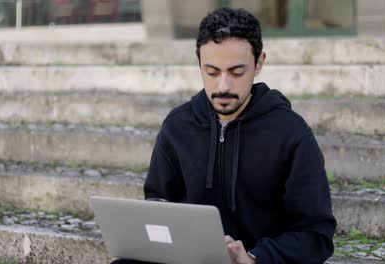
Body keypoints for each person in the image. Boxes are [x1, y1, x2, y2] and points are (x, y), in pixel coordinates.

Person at [113, 7, 335, 264]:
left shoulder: (292, 133)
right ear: (199, 63)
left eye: (237, 72)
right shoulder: (177, 127)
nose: (223, 86)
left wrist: (254, 257)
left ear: (259, 63)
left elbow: (316, 235)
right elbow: (157, 206)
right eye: (212, 72)